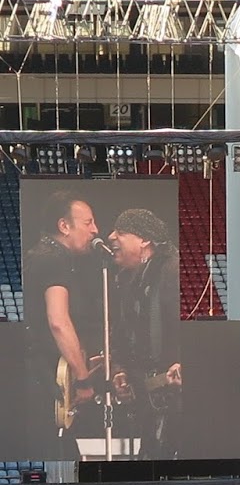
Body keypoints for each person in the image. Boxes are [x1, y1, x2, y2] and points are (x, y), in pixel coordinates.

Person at [23, 190, 106, 454]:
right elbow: (58, 321)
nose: (95, 230)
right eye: (88, 222)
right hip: (43, 384)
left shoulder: (45, 255)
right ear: (64, 226)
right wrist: (82, 379)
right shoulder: (52, 260)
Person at [106, 207, 181, 458]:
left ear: (144, 239)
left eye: (121, 232)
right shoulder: (125, 280)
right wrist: (120, 370)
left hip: (174, 398)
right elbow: (121, 336)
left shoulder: (172, 270)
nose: (110, 237)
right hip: (147, 400)